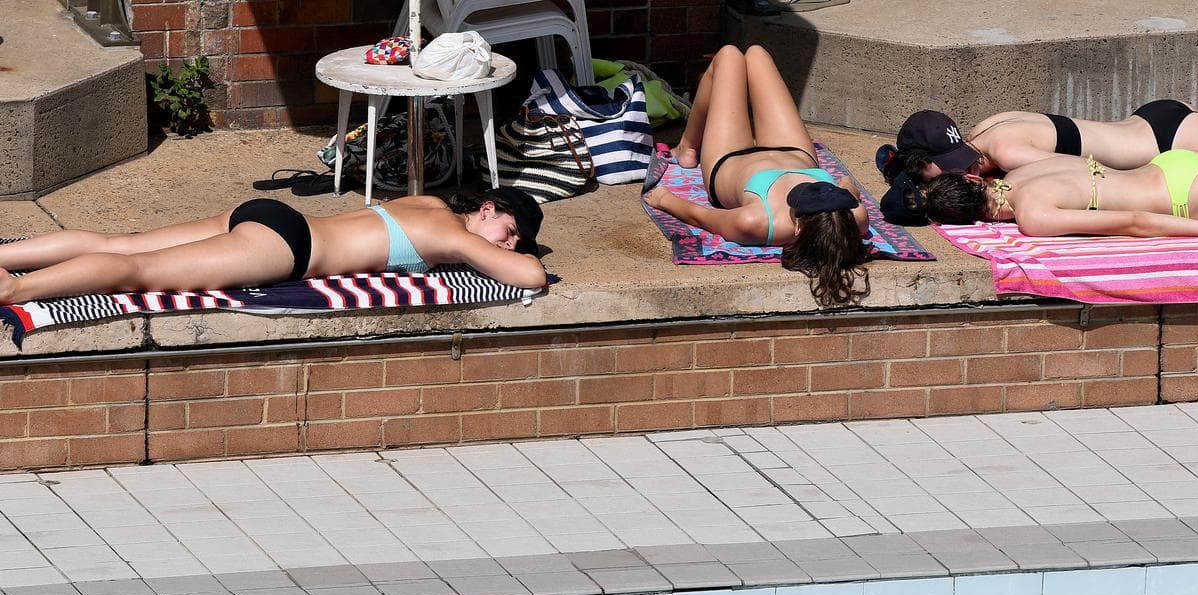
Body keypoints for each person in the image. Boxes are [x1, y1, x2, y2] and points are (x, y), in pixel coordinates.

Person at [0, 187, 547, 305]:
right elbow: (530, 279)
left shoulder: (428, 203)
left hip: (271, 215)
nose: (510, 243)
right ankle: (14, 290)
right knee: (134, 268)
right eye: (512, 230)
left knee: (117, 242)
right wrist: (523, 259)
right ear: (487, 210)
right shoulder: (452, 234)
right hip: (288, 246)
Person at [643, 45, 872, 306]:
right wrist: (844, 188)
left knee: (728, 56)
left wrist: (664, 200)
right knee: (757, 54)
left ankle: (688, 147)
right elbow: (847, 185)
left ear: (797, 227)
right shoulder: (853, 218)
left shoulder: (757, 222)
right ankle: (689, 144)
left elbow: (703, 216)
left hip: (732, 158)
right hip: (795, 153)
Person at [880, 102, 1198, 184]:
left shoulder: (1007, 153)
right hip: (1154, 116)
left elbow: (1091, 175)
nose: (961, 169)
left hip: (1170, 140)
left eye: (955, 163)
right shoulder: (988, 127)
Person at [916, 149, 1198, 239]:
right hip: (1173, 163)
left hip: (1192, 196)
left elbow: (1135, 223)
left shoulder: (1033, 215)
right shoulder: (1020, 173)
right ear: (977, 181)